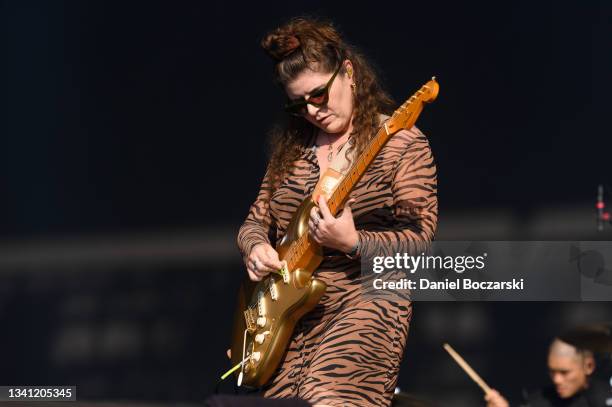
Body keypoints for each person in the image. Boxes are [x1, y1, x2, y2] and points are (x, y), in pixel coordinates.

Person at [236, 17, 438, 407]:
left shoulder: (401, 144)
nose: (311, 110)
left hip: (365, 305)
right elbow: (254, 222)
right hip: (289, 317)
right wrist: (256, 247)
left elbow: (420, 244)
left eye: (318, 95)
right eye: (298, 104)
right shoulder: (292, 153)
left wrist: (354, 242)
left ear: (348, 73)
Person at [485, 338, 608, 407]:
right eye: (552, 371)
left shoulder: (607, 398)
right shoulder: (539, 401)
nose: (557, 379)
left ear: (589, 366)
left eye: (564, 372)